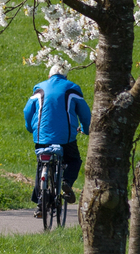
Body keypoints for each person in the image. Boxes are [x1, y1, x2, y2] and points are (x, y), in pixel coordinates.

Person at [24, 65, 91, 213]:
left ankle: (40, 202)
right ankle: (66, 181)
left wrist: (30, 128)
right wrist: (86, 129)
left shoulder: (39, 88)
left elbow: (27, 111)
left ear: (49, 76)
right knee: (74, 160)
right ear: (65, 76)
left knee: (42, 164)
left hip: (41, 137)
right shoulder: (72, 88)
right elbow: (85, 114)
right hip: (65, 138)